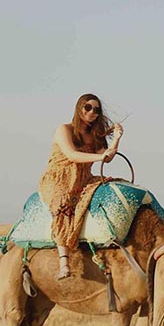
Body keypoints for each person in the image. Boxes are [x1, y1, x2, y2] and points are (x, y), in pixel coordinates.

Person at [39, 94, 123, 280]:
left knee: (113, 186)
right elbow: (72, 155)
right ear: (79, 107)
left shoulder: (95, 136)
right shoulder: (64, 130)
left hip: (84, 178)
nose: (92, 112)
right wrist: (100, 157)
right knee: (64, 204)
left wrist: (117, 138)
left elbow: (107, 157)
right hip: (59, 178)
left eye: (96, 110)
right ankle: (64, 263)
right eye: (88, 107)